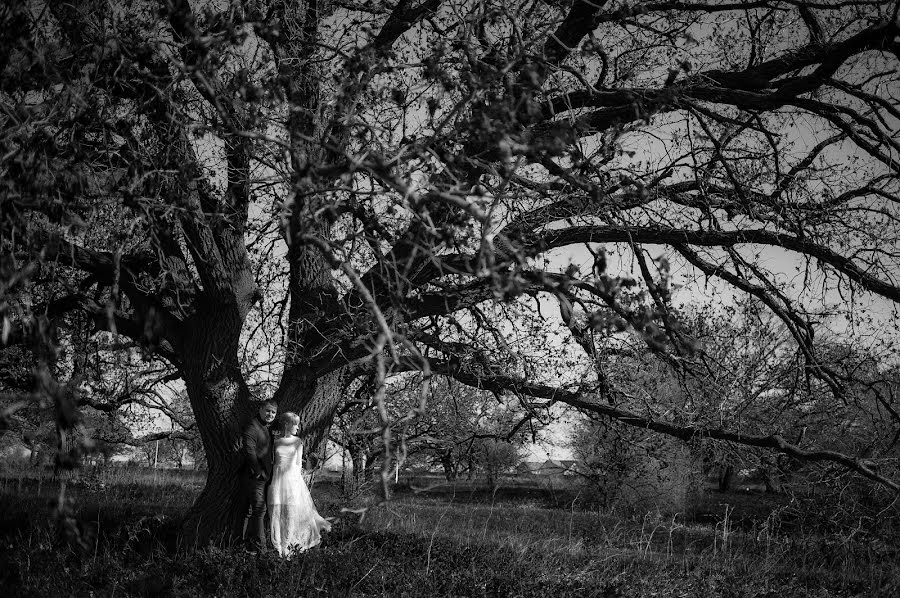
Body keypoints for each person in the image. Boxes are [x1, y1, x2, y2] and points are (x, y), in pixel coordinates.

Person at [268, 412, 332, 556]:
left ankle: (288, 546)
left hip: (292, 482)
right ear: (286, 424)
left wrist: (297, 485)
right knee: (276, 514)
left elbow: (298, 465)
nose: (298, 427)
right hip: (277, 481)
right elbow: (272, 462)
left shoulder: (297, 442)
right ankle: (278, 547)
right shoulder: (276, 442)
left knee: (291, 514)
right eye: (295, 424)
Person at [238, 399, 277, 551]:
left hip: (266, 476)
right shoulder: (252, 426)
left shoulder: (267, 427)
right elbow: (249, 450)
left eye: (273, 412)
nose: (270, 414)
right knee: (260, 510)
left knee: (251, 511)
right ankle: (262, 549)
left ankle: (246, 544)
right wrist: (258, 472)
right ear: (260, 409)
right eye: (267, 410)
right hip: (254, 477)